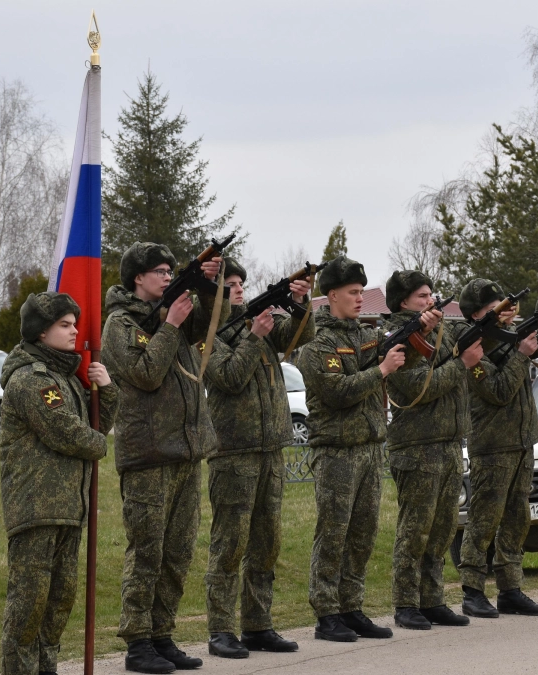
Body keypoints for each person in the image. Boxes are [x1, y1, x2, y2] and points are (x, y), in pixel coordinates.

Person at [103, 242, 229, 674]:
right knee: (147, 552)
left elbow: (216, 320)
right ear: (137, 277)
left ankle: (162, 635)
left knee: (177, 553)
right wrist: (170, 326)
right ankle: (138, 642)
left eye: (170, 271)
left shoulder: (168, 315)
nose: (165, 276)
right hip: (148, 455)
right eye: (159, 271)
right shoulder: (120, 324)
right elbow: (144, 375)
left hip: (186, 452)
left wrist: (207, 283)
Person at [0, 292, 118, 675]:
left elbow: (95, 426)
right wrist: (100, 446)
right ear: (40, 332)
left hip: (67, 509)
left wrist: (107, 389)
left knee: (58, 603)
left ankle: (45, 668)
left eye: (74, 324)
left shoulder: (64, 378)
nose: (74, 332)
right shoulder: (31, 380)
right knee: (28, 607)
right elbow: (67, 432)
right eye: (64, 326)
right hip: (36, 509)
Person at [202, 258, 312, 658]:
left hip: (270, 451)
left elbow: (298, 335)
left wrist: (299, 303)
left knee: (267, 544)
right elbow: (228, 378)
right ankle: (221, 629)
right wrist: (252, 336)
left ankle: (258, 624)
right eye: (228, 285)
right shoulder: (208, 333)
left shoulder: (256, 328)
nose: (238, 289)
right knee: (229, 545)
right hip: (234, 454)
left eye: (240, 283)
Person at [296, 255, 405, 642]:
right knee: (334, 533)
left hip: (370, 447)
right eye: (354, 292)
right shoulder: (316, 343)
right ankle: (327, 613)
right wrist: (381, 370)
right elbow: (337, 391)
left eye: (362, 291)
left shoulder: (366, 335)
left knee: (362, 533)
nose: (361, 298)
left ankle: (351, 606)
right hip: (337, 451)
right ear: (332, 296)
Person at [382, 271, 482, 630]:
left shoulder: (440, 329)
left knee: (441, 529)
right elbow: (418, 385)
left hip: (449, 442)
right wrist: (461, 364)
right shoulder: (396, 337)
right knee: (415, 529)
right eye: (422, 296)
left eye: (431, 294)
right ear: (403, 302)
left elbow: (463, 348)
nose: (430, 301)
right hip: (417, 445)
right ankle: (406, 602)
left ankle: (432, 598)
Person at [456, 279, 538, 619]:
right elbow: (499, 390)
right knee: (484, 522)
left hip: (522, 441)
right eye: (493, 309)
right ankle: (472, 590)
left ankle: (510, 589)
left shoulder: (510, 340)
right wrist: (520, 356)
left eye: (503, 305)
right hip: (493, 446)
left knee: (517, 520)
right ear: (476, 316)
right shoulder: (473, 351)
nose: (503, 312)